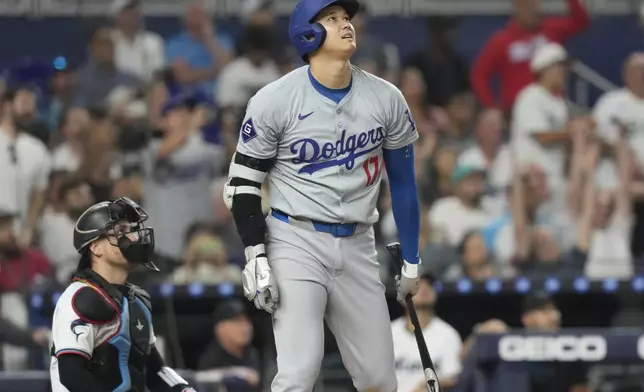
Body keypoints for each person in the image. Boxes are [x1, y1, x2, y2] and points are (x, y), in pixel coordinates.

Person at [222, 0, 421, 390]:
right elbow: (243, 184)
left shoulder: (386, 97)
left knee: (380, 379)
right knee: (299, 372)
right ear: (307, 33)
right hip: (294, 239)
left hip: (359, 241)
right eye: (332, 18)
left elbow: (403, 182)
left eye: (347, 17)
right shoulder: (273, 99)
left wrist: (412, 258)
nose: (346, 24)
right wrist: (254, 253)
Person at [49, 197, 197, 392]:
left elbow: (155, 370)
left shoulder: (138, 300)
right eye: (120, 232)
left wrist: (185, 390)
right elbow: (72, 375)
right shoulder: (78, 297)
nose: (132, 238)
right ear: (95, 247)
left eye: (131, 230)